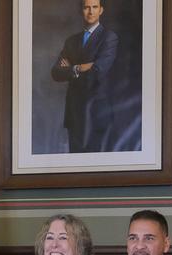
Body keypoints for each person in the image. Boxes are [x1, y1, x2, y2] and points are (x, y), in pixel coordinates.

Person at [50, 0, 119, 153]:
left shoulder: (108, 38)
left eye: (95, 7)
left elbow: (98, 72)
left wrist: (70, 69)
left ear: (101, 10)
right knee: (75, 170)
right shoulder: (71, 41)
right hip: (74, 115)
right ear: (81, 10)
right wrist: (80, 67)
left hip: (97, 115)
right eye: (87, 7)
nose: (91, 11)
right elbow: (55, 73)